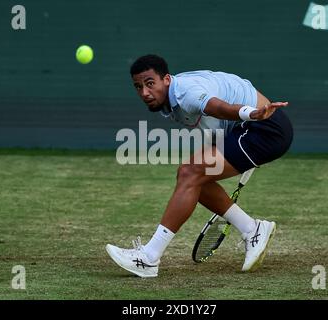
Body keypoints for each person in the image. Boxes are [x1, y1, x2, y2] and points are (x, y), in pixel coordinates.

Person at [106, 54, 293, 277]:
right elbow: (215, 122)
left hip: (263, 127)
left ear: (166, 79)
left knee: (189, 173)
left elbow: (219, 107)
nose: (144, 93)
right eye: (138, 87)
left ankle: (149, 257)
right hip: (248, 127)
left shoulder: (185, 92)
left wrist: (251, 113)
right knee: (196, 180)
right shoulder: (173, 99)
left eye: (149, 84)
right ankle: (253, 229)